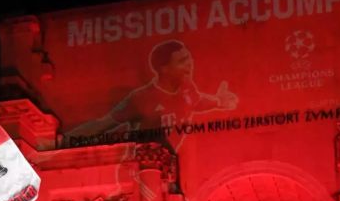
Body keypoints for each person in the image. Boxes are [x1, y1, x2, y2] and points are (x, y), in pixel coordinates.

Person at [66, 39, 238, 150]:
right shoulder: (141, 98)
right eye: (182, 61)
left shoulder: (186, 85)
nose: (189, 65)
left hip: (169, 165)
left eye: (189, 59)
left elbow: (196, 101)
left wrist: (218, 102)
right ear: (164, 69)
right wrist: (64, 140)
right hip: (145, 171)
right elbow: (104, 123)